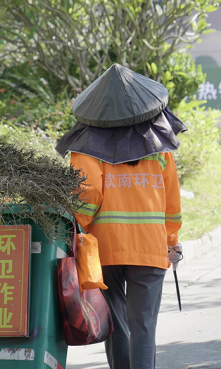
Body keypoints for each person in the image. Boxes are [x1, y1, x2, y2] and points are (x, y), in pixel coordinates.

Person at [56, 64, 186, 369]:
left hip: (107, 249)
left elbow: (87, 197)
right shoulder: (160, 147)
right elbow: (172, 201)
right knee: (144, 327)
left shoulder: (86, 148)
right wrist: (171, 241)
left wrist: (77, 232)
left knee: (115, 323)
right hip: (152, 248)